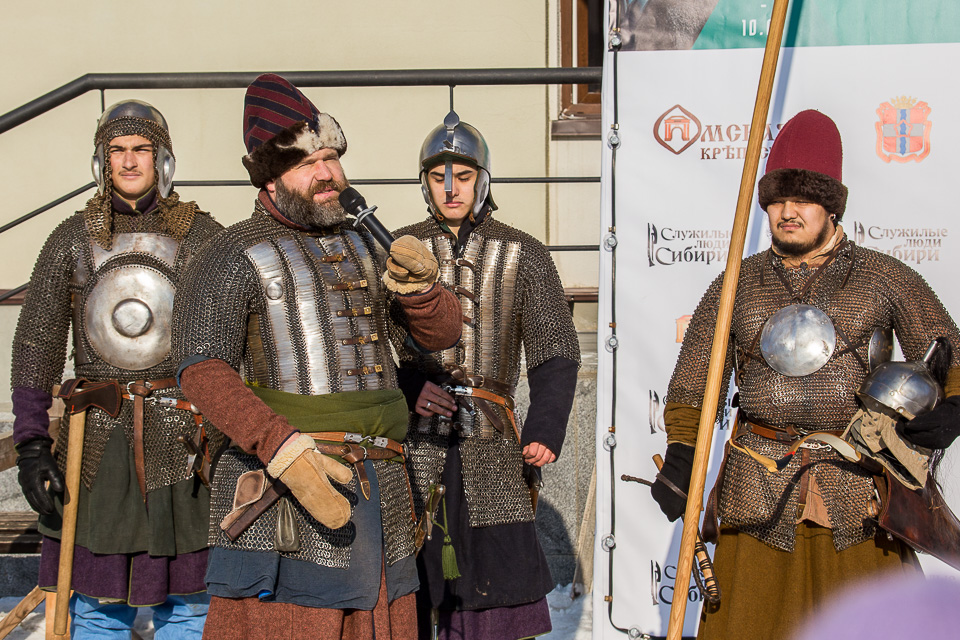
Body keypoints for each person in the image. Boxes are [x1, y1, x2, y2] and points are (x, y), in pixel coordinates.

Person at [170, 73, 462, 640]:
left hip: (380, 484)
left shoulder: (367, 244)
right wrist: (279, 445)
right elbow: (201, 369)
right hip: (283, 486)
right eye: (309, 163)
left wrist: (425, 292)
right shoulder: (229, 251)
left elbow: (440, 336)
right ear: (270, 177)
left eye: (331, 157)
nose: (328, 173)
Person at [650, 109, 960, 640]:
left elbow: (951, 354)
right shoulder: (736, 284)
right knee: (750, 627)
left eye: (804, 200)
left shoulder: (883, 277)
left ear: (832, 206)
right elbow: (693, 386)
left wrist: (954, 407)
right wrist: (682, 453)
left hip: (860, 484)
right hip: (758, 481)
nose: (788, 212)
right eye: (778, 200)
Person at [11, 100, 223, 638]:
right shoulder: (71, 239)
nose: (129, 161)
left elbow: (236, 339)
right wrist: (31, 444)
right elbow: (35, 345)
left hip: (183, 433)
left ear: (163, 159)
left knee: (189, 603)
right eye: (117, 150)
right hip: (97, 439)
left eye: (141, 150)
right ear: (101, 161)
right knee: (97, 606)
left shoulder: (202, 238)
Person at [391, 111, 581, 640]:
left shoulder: (523, 253)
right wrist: (408, 388)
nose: (451, 189)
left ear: (483, 179)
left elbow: (556, 351)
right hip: (415, 441)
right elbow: (375, 345)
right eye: (438, 177)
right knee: (414, 581)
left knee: (496, 587)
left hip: (491, 438)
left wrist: (545, 426)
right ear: (425, 183)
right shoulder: (397, 252)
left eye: (464, 175)